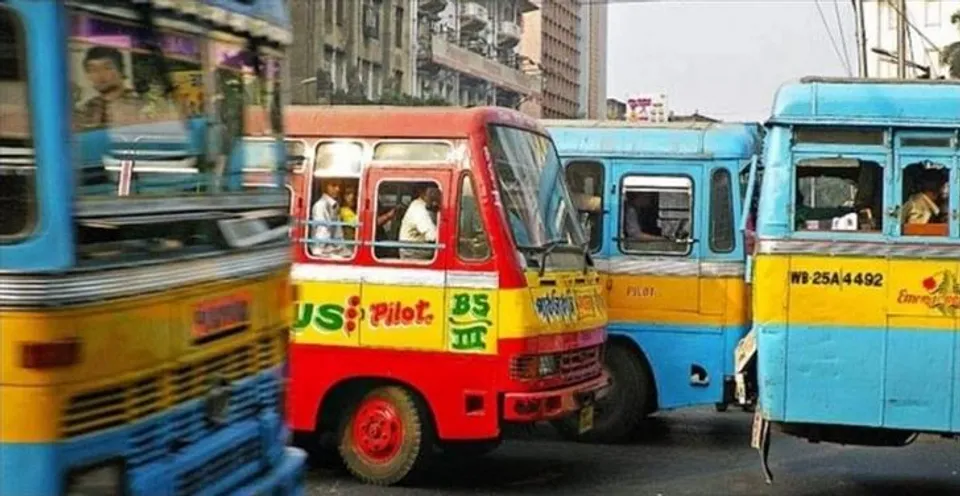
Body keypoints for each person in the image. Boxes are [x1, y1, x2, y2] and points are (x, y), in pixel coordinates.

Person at [74, 46, 144, 130]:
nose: (100, 74)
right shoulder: (85, 110)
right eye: (93, 70)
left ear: (121, 70)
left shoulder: (142, 106)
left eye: (107, 68)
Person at [398, 184, 440, 260]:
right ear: (422, 192)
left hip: (420, 249)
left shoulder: (427, 206)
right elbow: (432, 235)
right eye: (432, 192)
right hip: (413, 253)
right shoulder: (418, 208)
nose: (435, 195)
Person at [310, 181, 346, 256]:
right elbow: (322, 232)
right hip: (322, 250)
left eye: (339, 186)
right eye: (333, 185)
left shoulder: (334, 205)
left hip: (332, 248)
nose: (338, 189)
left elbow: (337, 231)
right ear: (325, 187)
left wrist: (340, 246)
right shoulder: (320, 205)